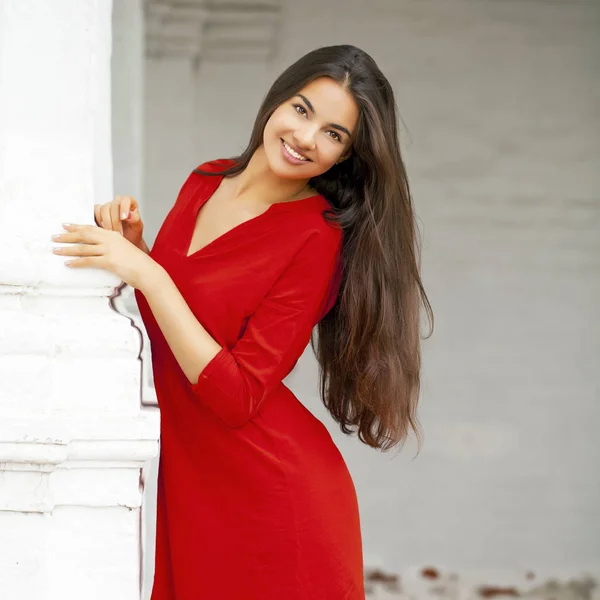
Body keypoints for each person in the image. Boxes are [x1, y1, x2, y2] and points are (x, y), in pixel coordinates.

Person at [51, 44, 432, 600]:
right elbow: (173, 337)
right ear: (277, 100)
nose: (306, 138)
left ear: (345, 158)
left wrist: (148, 275)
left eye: (333, 134)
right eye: (302, 110)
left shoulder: (316, 238)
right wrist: (139, 251)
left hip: (274, 491)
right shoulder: (204, 180)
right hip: (199, 482)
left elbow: (235, 396)